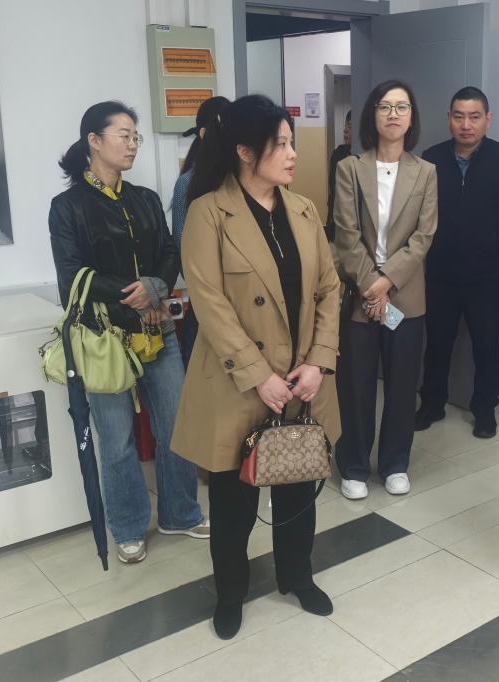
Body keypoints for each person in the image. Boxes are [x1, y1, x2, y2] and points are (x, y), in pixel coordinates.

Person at [170, 95, 342, 640]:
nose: (292, 154)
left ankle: (298, 576)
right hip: (238, 383)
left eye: (292, 143)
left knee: (298, 489)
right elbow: (210, 303)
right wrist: (259, 376)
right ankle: (230, 593)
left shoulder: (304, 209)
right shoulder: (207, 213)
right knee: (233, 502)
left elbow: (329, 290)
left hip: (302, 380)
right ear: (245, 151)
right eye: (281, 144)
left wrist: (319, 362)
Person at [49, 101, 209, 565]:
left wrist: (156, 287)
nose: (133, 144)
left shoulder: (144, 198)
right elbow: (71, 278)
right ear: (93, 141)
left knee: (176, 425)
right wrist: (134, 294)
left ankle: (180, 513)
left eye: (135, 136)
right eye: (124, 135)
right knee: (116, 438)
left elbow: (170, 249)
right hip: (105, 338)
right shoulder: (68, 207)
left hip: (158, 329)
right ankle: (128, 526)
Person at [332, 80, 437, 500]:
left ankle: (395, 463)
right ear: (372, 115)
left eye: (402, 107)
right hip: (360, 295)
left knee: (401, 385)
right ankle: (354, 465)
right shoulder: (349, 168)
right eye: (384, 107)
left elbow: (423, 236)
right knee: (355, 385)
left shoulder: (426, 171)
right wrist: (369, 285)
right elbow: (345, 233)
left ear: (412, 118)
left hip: (405, 297)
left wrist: (387, 281)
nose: (393, 114)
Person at [417, 87, 499, 439]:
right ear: (449, 118)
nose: (466, 125)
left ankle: (485, 410)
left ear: (487, 119)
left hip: (486, 273)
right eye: (458, 116)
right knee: (437, 342)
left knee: (486, 344)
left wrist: (494, 237)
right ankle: (432, 404)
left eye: (474, 117)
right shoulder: (431, 158)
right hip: (440, 271)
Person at [170, 95, 231, 370]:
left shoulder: (242, 179)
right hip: (207, 302)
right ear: (204, 134)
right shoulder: (187, 183)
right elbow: (184, 251)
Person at [325, 110, 353, 241]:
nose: (345, 130)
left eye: (350, 126)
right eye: (346, 126)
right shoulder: (338, 153)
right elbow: (334, 187)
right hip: (337, 218)